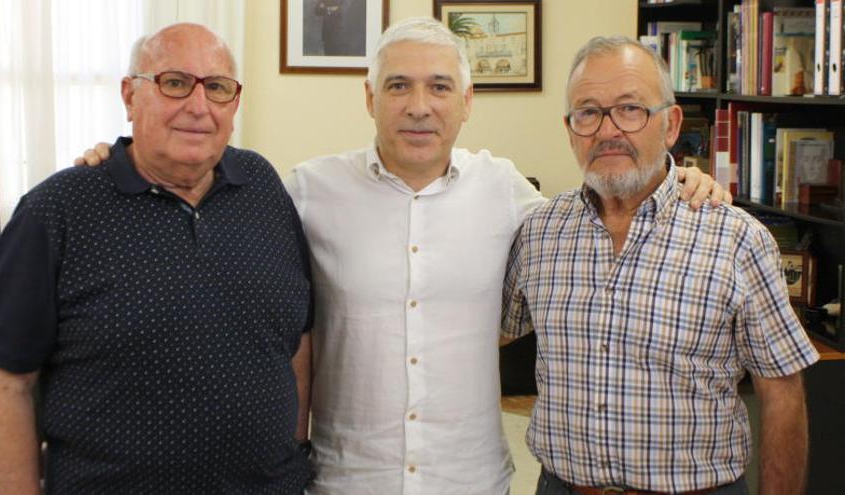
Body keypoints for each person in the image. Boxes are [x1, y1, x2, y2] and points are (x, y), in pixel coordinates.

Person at [75, 18, 727, 495]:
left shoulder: (509, 194)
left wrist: (685, 180)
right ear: (369, 98)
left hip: (470, 480)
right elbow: (203, 191)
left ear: (468, 103)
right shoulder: (304, 190)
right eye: (398, 87)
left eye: (440, 87)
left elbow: (600, 219)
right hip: (343, 480)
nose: (419, 106)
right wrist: (116, 159)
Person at [0, 23, 314, 494]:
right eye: (174, 83)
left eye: (216, 88)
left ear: (234, 104)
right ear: (130, 96)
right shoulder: (57, 211)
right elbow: (6, 383)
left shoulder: (262, 187)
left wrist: (294, 455)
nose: (198, 107)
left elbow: (296, 337)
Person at [501, 36, 820, 495]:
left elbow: (783, 392)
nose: (607, 130)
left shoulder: (736, 240)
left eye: (630, 109)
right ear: (570, 129)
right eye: (587, 112)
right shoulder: (538, 233)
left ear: (670, 125)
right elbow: (491, 331)